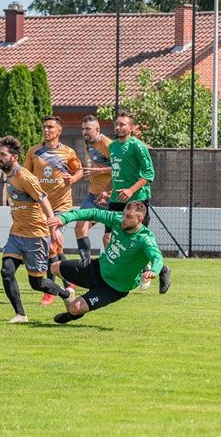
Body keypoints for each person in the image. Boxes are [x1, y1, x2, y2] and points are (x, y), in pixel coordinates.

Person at [46, 201, 171, 324]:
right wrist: (63, 218)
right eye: (124, 214)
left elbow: (157, 257)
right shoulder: (116, 219)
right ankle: (67, 294)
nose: (123, 219)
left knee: (75, 308)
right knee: (54, 268)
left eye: (129, 217)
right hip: (97, 268)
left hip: (114, 288)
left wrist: (153, 270)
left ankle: (72, 315)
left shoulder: (144, 239)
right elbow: (91, 213)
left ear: (140, 219)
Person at [0, 135, 75, 323]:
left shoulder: (24, 176)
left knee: (37, 283)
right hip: (16, 234)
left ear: (14, 157)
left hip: (36, 235)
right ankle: (21, 314)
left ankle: (66, 294)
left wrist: (53, 226)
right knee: (6, 271)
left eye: (3, 154)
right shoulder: (8, 176)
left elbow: (43, 199)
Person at [103, 112, 167, 293]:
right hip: (116, 199)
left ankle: (158, 269)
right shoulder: (113, 147)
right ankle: (117, 273)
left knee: (136, 241)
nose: (118, 127)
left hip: (137, 200)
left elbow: (149, 175)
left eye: (123, 124)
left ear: (131, 128)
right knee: (108, 238)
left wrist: (131, 190)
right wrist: (107, 190)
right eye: (117, 124)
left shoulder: (138, 147)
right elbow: (116, 173)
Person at [23, 115, 83, 305]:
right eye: (45, 127)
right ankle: (70, 281)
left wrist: (73, 179)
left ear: (59, 131)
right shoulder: (34, 152)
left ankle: (51, 290)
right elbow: (25, 177)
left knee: (51, 245)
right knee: (55, 247)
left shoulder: (68, 152)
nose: (46, 130)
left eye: (50, 127)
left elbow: (79, 170)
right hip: (41, 206)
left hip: (62, 206)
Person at [74, 115, 113, 263]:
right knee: (80, 228)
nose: (85, 132)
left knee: (108, 239)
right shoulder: (88, 143)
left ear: (97, 129)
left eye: (88, 129)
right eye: (83, 129)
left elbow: (121, 169)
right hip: (93, 196)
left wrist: (99, 171)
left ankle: (146, 266)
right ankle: (86, 265)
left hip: (110, 197)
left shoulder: (108, 145)